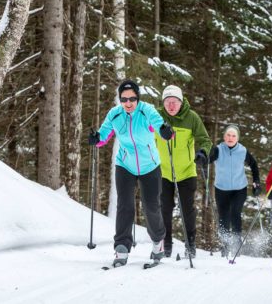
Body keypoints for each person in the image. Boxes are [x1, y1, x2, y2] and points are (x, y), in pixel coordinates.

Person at [88, 80, 174, 267]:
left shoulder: (147, 110)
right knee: (124, 205)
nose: (128, 103)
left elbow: (159, 124)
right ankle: (121, 247)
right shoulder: (115, 114)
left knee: (151, 207)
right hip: (125, 164)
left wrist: (165, 131)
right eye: (124, 99)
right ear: (120, 100)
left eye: (132, 99)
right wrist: (96, 139)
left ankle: (158, 241)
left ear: (138, 98)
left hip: (149, 165)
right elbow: (104, 135)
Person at [155, 85, 212, 259]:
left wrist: (203, 153)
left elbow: (205, 140)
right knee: (165, 209)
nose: (171, 106)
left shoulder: (191, 117)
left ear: (181, 102)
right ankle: (167, 245)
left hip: (186, 171)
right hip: (163, 172)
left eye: (174, 102)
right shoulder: (156, 117)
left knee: (187, 209)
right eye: (167, 102)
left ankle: (190, 244)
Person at [208, 124, 261, 257]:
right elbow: (209, 158)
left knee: (235, 213)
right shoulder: (218, 150)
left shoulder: (243, 151)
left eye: (233, 136)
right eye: (228, 135)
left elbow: (254, 165)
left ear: (237, 138)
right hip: (221, 189)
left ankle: (236, 245)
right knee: (223, 217)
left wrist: (257, 182)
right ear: (224, 136)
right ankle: (225, 246)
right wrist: (203, 158)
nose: (230, 138)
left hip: (239, 189)